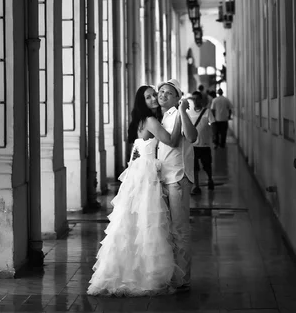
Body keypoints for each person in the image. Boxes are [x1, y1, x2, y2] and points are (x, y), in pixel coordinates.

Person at [87, 85, 185, 296]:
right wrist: (179, 118)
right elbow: (173, 141)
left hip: (137, 171)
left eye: (153, 95)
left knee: (133, 222)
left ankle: (130, 269)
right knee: (148, 223)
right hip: (148, 172)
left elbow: (137, 151)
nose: (153, 99)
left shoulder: (138, 121)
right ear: (142, 101)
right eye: (148, 97)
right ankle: (148, 273)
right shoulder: (151, 120)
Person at [157, 79, 198, 292]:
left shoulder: (180, 113)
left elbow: (192, 136)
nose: (162, 94)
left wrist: (182, 110)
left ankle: (183, 278)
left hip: (178, 179)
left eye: (168, 92)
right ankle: (173, 274)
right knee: (168, 229)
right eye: (161, 91)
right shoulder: (163, 117)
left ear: (177, 98)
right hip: (165, 178)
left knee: (180, 229)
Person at [189, 91, 215, 195]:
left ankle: (210, 179)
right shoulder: (189, 112)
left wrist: (214, 135)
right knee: (194, 167)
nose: (195, 101)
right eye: (193, 99)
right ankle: (196, 186)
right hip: (193, 146)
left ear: (200, 100)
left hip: (204, 145)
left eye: (197, 99)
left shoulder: (207, 112)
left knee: (207, 165)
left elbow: (213, 123)